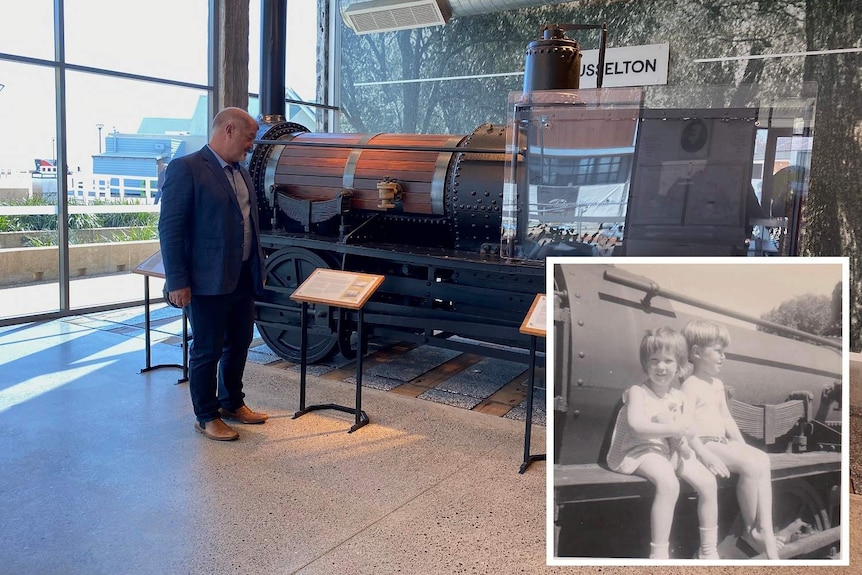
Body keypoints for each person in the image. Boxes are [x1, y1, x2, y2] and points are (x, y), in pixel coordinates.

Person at [158, 107, 268, 441]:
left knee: (240, 343)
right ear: (229, 130)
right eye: (249, 138)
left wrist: (257, 268)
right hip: (205, 281)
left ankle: (231, 403)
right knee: (207, 348)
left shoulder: (242, 172)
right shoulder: (186, 168)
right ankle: (205, 415)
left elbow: (247, 224)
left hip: (241, 278)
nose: (251, 146)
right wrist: (177, 281)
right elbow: (171, 228)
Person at [606, 327, 720, 560]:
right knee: (669, 483)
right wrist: (672, 427)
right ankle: (659, 554)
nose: (661, 367)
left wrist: (706, 455)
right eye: (654, 360)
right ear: (645, 363)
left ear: (679, 366)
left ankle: (708, 550)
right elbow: (637, 426)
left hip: (671, 449)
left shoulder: (680, 397)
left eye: (668, 361)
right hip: (638, 449)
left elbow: (688, 432)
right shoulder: (638, 392)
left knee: (708, 482)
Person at [681, 319, 781, 559]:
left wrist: (742, 446)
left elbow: (726, 418)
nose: (723, 356)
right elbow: (686, 426)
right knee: (749, 464)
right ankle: (750, 527)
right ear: (696, 353)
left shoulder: (717, 384)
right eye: (718, 350)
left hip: (721, 442)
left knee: (761, 459)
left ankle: (764, 527)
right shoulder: (690, 385)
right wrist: (705, 453)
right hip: (704, 444)